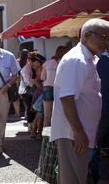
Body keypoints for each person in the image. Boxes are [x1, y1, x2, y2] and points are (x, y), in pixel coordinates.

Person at [50, 18, 109, 184]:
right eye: (104, 37)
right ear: (87, 35)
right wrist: (78, 132)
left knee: (75, 178)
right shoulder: (76, 60)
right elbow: (67, 98)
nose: (107, 42)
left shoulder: (88, 58)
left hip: (79, 133)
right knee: (73, 179)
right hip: (73, 134)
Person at [40, 46, 69, 127]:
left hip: (48, 88)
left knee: (47, 116)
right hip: (60, 89)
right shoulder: (65, 63)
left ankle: (46, 138)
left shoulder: (47, 63)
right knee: (58, 116)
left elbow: (42, 77)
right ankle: (56, 137)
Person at [93, 50, 109, 184]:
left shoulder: (97, 61)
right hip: (102, 111)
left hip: (101, 111)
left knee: (100, 145)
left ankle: (101, 176)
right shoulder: (98, 61)